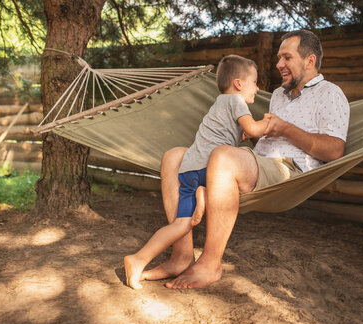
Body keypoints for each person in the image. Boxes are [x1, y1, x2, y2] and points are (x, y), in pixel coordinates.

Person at [146, 29, 350, 289]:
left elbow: (334, 151)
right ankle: (181, 255)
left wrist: (284, 128)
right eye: (279, 58)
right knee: (173, 157)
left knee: (222, 156)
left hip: (290, 169)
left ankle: (210, 264)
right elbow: (269, 140)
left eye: (286, 58)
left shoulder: (330, 94)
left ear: (309, 61)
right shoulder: (278, 95)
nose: (279, 65)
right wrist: (254, 137)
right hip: (256, 160)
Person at [124, 54, 269, 290]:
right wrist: (270, 123)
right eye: (254, 82)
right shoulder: (236, 102)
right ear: (239, 84)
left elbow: (232, 134)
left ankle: (138, 259)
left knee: (182, 224)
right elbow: (253, 128)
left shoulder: (220, 103)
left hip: (189, 171)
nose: (258, 88)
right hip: (206, 169)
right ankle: (204, 195)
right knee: (222, 173)